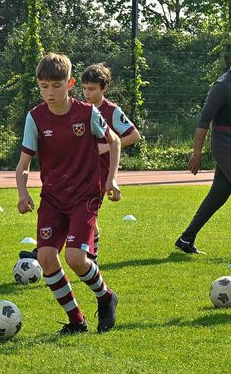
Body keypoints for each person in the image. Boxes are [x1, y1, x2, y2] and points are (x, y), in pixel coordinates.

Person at [15, 53, 123, 333]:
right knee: (46, 258)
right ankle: (76, 320)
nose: (49, 92)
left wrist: (111, 180)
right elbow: (24, 164)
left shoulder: (87, 113)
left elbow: (114, 141)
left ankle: (106, 296)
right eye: (43, 86)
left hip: (85, 196)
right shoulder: (35, 118)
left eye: (55, 85)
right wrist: (22, 192)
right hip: (52, 198)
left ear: (70, 83)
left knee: (76, 258)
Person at [20, 62, 141, 263]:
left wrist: (105, 148)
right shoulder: (77, 110)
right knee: (81, 213)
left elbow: (133, 135)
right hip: (76, 169)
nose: (87, 93)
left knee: (83, 211)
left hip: (99, 170)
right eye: (84, 88)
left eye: (92, 89)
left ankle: (78, 253)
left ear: (104, 89)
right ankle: (61, 251)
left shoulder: (111, 111)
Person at [176, 45, 231, 254]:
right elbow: (204, 119)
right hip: (225, 146)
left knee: (218, 196)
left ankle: (186, 239)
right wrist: (197, 153)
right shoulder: (222, 85)